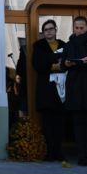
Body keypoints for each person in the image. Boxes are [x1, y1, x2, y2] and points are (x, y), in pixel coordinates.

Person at [61, 16, 87, 166]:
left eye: (82, 27)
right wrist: (66, 63)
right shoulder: (68, 45)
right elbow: (63, 65)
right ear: (73, 28)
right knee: (77, 124)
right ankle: (81, 155)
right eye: (76, 28)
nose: (79, 30)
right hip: (75, 87)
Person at [32, 19, 66, 162]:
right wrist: (54, 63)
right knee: (47, 124)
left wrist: (56, 62)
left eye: (51, 29)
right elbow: (37, 65)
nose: (49, 31)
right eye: (46, 30)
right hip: (46, 90)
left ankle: (59, 152)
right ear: (43, 32)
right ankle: (49, 153)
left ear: (56, 29)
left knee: (59, 123)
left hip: (61, 89)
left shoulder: (64, 45)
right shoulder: (38, 45)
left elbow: (67, 62)